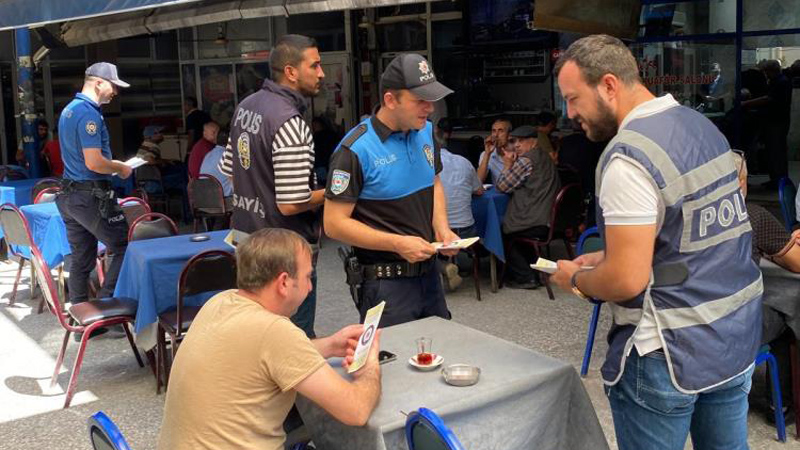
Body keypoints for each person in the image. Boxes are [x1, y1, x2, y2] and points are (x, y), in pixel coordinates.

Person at [551, 35, 762, 450]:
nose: (570, 113)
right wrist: (611, 256)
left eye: (573, 99)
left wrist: (577, 280)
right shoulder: (700, 126)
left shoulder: (629, 158)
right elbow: (698, 234)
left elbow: (627, 280)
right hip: (732, 338)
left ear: (609, 85)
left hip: (667, 350)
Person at [157, 228, 382, 450]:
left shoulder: (220, 302)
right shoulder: (274, 331)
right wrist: (370, 366)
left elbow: (266, 357)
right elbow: (356, 411)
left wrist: (331, 345)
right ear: (284, 282)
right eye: (307, 277)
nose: (310, 286)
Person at [324, 53, 458, 327]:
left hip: (429, 275)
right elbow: (333, 224)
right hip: (385, 284)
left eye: (431, 99)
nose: (429, 108)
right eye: (419, 100)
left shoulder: (426, 132)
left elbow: (434, 182)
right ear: (390, 100)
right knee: (393, 364)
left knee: (440, 351)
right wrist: (396, 243)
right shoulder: (355, 149)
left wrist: (442, 228)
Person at [218, 34, 325, 338]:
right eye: (314, 66)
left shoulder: (246, 106)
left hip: (245, 242)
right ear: (291, 71)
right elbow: (291, 203)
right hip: (283, 255)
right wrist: (333, 193)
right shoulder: (289, 121)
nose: (321, 73)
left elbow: (230, 171)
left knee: (254, 337)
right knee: (292, 342)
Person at [57, 62, 132, 321]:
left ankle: (80, 315)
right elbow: (93, 162)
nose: (115, 92)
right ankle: (107, 311)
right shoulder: (88, 113)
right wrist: (119, 167)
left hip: (69, 194)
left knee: (81, 257)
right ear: (98, 82)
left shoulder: (69, 110)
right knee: (123, 246)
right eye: (113, 86)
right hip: (91, 195)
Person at [496, 125, 560, 289]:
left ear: (533, 142)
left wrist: (507, 165)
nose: (517, 144)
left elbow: (502, 186)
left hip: (534, 219)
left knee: (502, 232)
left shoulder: (526, 160)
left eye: (522, 141)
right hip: (547, 217)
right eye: (515, 140)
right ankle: (535, 271)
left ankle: (525, 277)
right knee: (515, 234)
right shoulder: (545, 157)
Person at [436, 118, 484, 291]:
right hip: (466, 230)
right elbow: (479, 190)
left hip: (440, 232)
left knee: (416, 241)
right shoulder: (464, 162)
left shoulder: (424, 166)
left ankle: (441, 266)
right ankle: (453, 265)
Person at [743, 59, 792, 189]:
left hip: (776, 122)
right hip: (774, 121)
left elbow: (769, 99)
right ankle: (775, 179)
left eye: (766, 71)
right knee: (772, 152)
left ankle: (779, 180)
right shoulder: (777, 81)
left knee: (776, 152)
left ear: (771, 70)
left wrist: (747, 103)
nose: (765, 74)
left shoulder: (781, 82)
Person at [477, 118, 512, 184]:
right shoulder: (486, 154)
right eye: (494, 131)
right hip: (497, 192)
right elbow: (478, 181)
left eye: (501, 131)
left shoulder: (517, 153)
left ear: (509, 135)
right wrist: (487, 154)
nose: (496, 135)